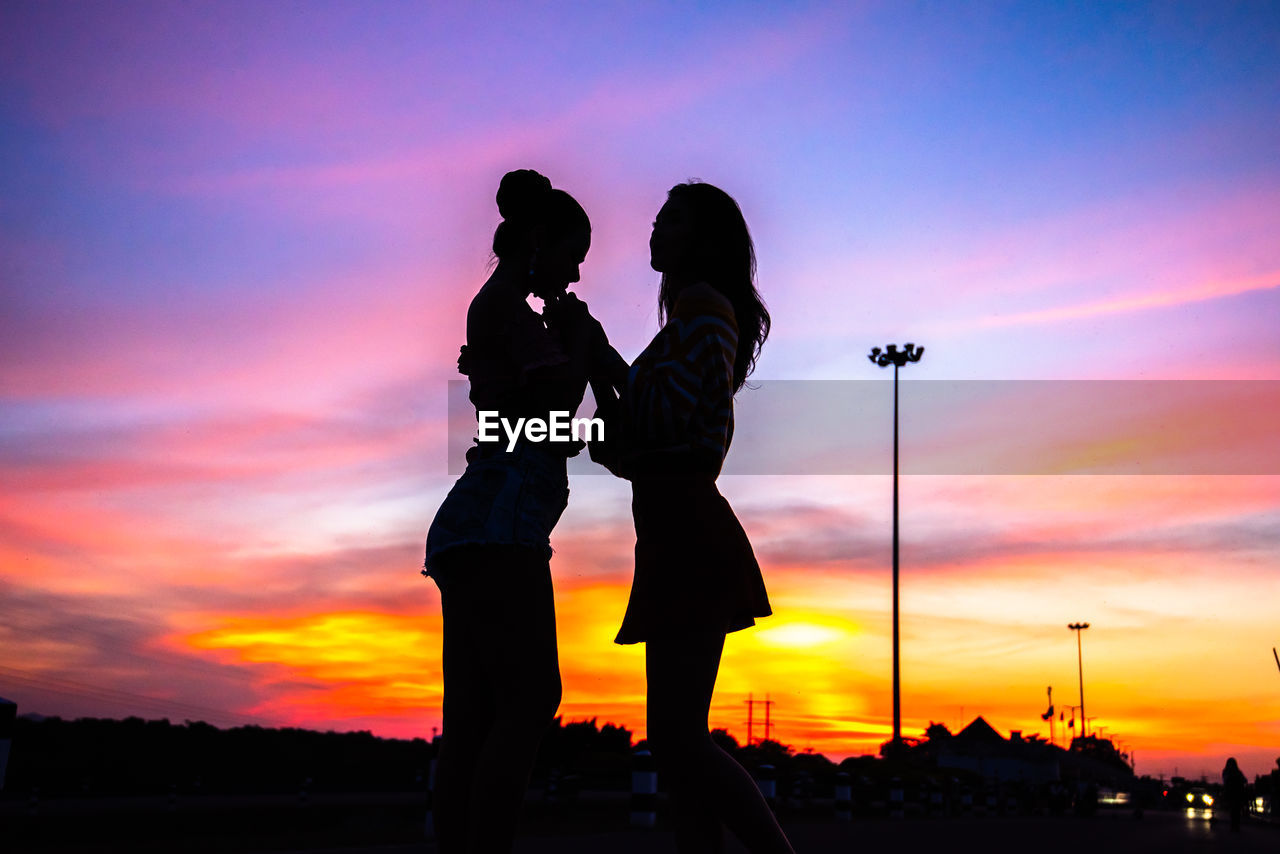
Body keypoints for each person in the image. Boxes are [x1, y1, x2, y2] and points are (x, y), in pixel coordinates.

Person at [587, 181, 794, 853]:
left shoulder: (704, 309)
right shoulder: (688, 318)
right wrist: (603, 374)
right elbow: (652, 436)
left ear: (699, 237)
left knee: (677, 740)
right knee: (678, 751)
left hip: (689, 536)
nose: (654, 227)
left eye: (669, 218)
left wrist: (601, 374)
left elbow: (666, 425)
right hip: (674, 532)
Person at [423, 169, 595, 853]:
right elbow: (550, 407)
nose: (577, 272)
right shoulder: (509, 312)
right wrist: (581, 346)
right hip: (503, 527)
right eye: (574, 253)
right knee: (528, 702)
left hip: (477, 524)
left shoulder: (496, 308)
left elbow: (525, 423)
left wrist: (570, 432)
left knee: (471, 717)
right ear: (541, 241)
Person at [1222, 756, 1247, 831]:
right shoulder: (1237, 772)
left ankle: (1234, 825)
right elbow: (1245, 780)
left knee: (1234, 810)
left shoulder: (1227, 771)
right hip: (1237, 793)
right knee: (1236, 810)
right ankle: (1236, 825)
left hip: (1232, 793)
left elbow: (1225, 781)